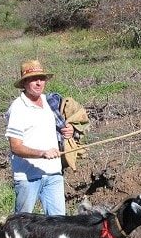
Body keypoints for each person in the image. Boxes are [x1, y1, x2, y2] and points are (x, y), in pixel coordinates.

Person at [5, 60, 88, 215]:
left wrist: (69, 130)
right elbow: (15, 146)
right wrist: (42, 153)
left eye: (41, 79)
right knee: (22, 225)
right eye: (33, 79)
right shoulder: (18, 108)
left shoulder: (50, 102)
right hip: (28, 177)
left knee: (58, 224)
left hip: (54, 173)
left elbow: (60, 127)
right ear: (24, 83)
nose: (38, 83)